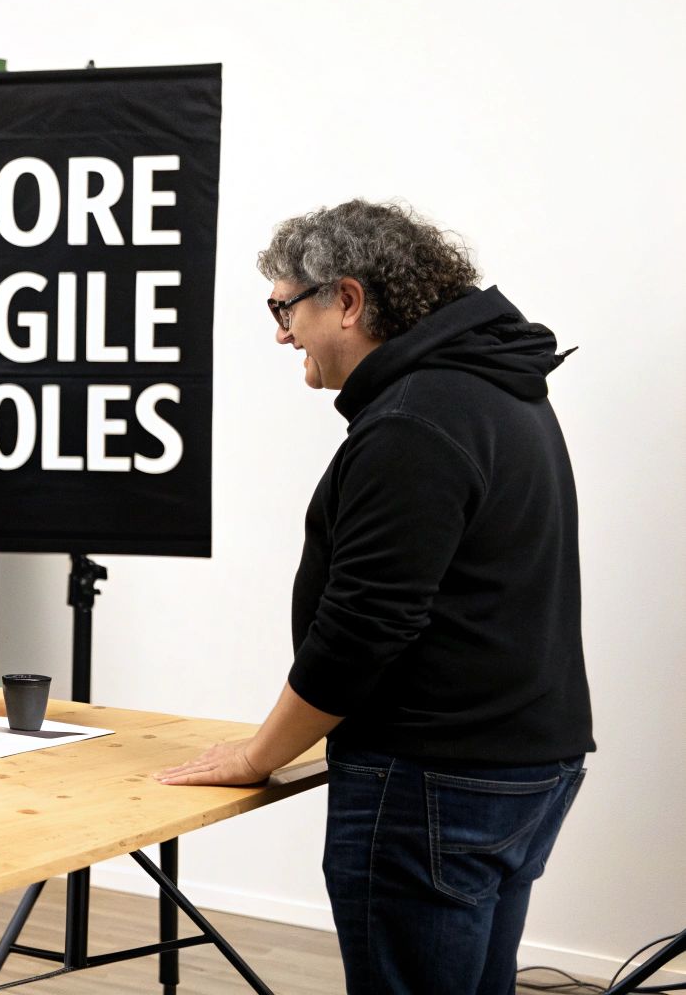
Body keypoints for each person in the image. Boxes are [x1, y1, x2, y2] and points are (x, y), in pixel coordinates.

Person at [157, 200, 593, 994]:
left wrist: (259, 755)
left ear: (348, 301)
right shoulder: (499, 388)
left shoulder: (415, 422)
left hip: (433, 779)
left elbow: (362, 629)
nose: (281, 332)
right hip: (526, 759)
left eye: (285, 307)